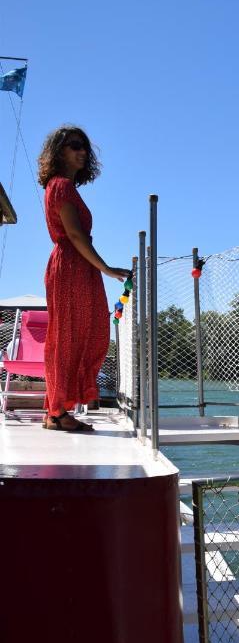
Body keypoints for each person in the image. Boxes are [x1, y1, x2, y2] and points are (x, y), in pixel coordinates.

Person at [37, 125, 130, 431]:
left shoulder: (65, 187)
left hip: (78, 265)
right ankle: (56, 411)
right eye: (74, 145)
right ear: (59, 151)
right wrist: (106, 268)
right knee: (68, 337)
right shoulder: (61, 186)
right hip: (72, 265)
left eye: (84, 147)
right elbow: (75, 236)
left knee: (84, 333)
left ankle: (58, 408)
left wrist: (98, 268)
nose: (82, 152)